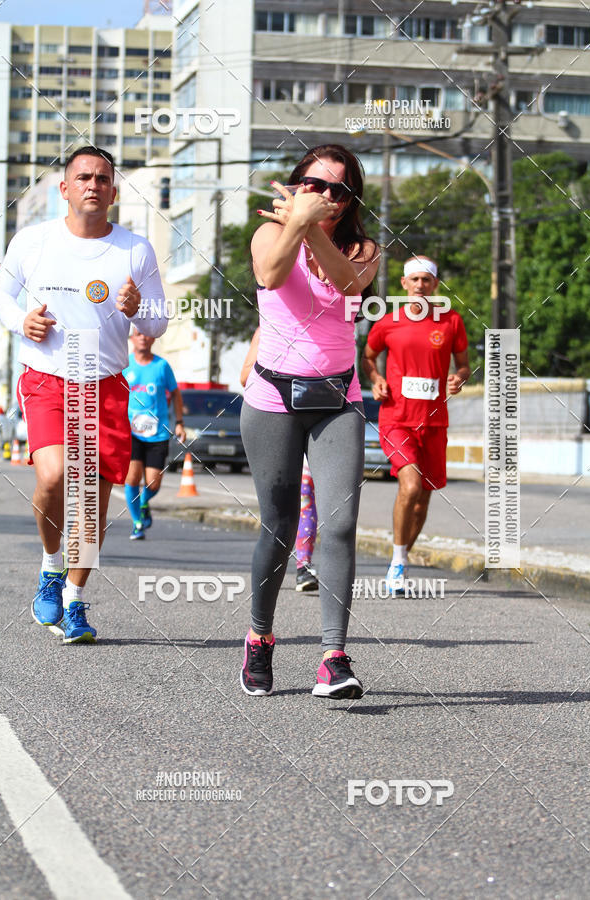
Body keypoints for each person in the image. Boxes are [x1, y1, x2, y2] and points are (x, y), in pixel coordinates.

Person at [0, 146, 167, 642]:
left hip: (105, 383)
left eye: (103, 178)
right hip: (48, 376)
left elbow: (158, 321)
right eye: (83, 177)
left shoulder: (134, 249)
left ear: (114, 191)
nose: (94, 184)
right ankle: (51, 565)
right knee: (52, 475)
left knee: (91, 501)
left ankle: (73, 600)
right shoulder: (34, 240)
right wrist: (20, 322)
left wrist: (137, 309)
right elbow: (0, 294)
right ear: (65, 188)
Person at [239, 144, 380, 699]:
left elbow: (349, 285)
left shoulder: (364, 248)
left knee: (340, 522)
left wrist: (308, 221)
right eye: (313, 184)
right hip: (271, 396)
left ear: (350, 201)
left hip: (337, 399)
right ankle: (259, 638)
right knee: (276, 529)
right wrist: (295, 224)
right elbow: (272, 276)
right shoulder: (267, 235)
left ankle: (333, 657)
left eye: (338, 190)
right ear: (295, 182)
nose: (324, 196)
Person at [361, 256, 470, 594]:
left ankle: (403, 555)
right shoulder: (388, 322)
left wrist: (458, 378)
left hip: (434, 422)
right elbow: (368, 356)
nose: (421, 286)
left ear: (435, 285)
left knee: (422, 500)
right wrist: (376, 378)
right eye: (415, 280)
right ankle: (396, 562)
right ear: (404, 285)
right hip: (396, 418)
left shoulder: (451, 321)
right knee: (409, 486)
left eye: (427, 280)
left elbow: (464, 365)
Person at [240, 329, 319, 592]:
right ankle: (284, 565)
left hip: (322, 421)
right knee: (284, 509)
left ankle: (303, 565)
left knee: (307, 495)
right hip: (280, 422)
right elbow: (244, 377)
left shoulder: (329, 322)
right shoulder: (268, 329)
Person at [123, 329, 185, 539]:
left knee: (153, 483)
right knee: (131, 479)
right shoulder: (124, 365)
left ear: (153, 338)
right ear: (132, 338)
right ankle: (137, 523)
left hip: (157, 433)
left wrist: (179, 422)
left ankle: (143, 502)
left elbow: (175, 393)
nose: (142, 337)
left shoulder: (161, 366)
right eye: (138, 333)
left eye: (146, 334)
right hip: (130, 432)